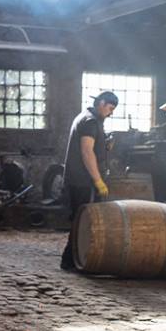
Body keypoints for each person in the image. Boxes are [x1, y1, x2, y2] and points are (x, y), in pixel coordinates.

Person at [60, 91, 118, 271]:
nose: (111, 113)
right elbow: (86, 152)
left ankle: (71, 260)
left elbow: (91, 147)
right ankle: (71, 261)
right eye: (110, 108)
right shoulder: (90, 121)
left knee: (81, 220)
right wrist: (98, 180)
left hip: (80, 179)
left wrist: (104, 145)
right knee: (83, 220)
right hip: (82, 181)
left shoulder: (86, 118)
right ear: (101, 103)